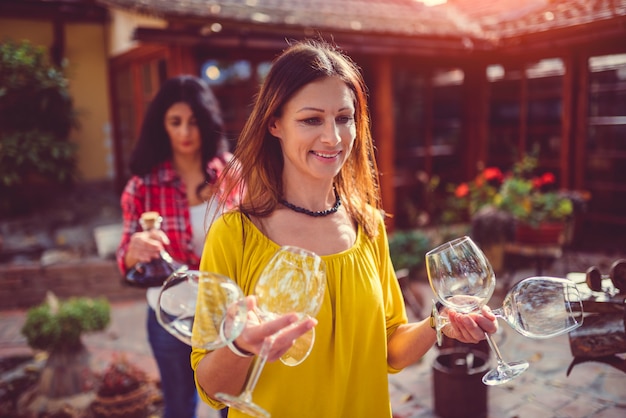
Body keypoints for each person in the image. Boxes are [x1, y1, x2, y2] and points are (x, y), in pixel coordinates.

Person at [191, 40, 498, 418]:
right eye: (311, 119)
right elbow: (211, 388)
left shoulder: (367, 225)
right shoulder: (233, 234)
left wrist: (439, 323)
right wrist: (240, 347)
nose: (333, 138)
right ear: (274, 124)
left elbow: (388, 348)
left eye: (343, 117)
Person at [116, 75, 239, 418]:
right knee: (180, 409)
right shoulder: (142, 186)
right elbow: (124, 263)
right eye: (175, 122)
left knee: (233, 407)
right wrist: (135, 250)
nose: (185, 132)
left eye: (194, 121)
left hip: (226, 314)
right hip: (169, 315)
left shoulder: (231, 174)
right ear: (162, 126)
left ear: (208, 122)